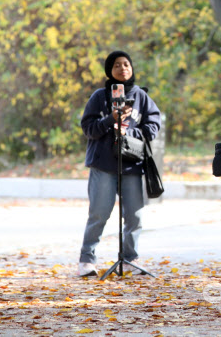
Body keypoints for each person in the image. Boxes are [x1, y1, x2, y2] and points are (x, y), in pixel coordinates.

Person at [78, 51, 161, 276]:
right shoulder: (99, 96)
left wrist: (131, 130)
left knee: (134, 215)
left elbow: (154, 123)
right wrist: (110, 120)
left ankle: (129, 260)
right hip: (103, 165)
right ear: (109, 70)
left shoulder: (141, 97)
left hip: (132, 165)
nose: (122, 68)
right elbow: (88, 128)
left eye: (126, 64)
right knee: (99, 213)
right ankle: (87, 260)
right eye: (117, 65)